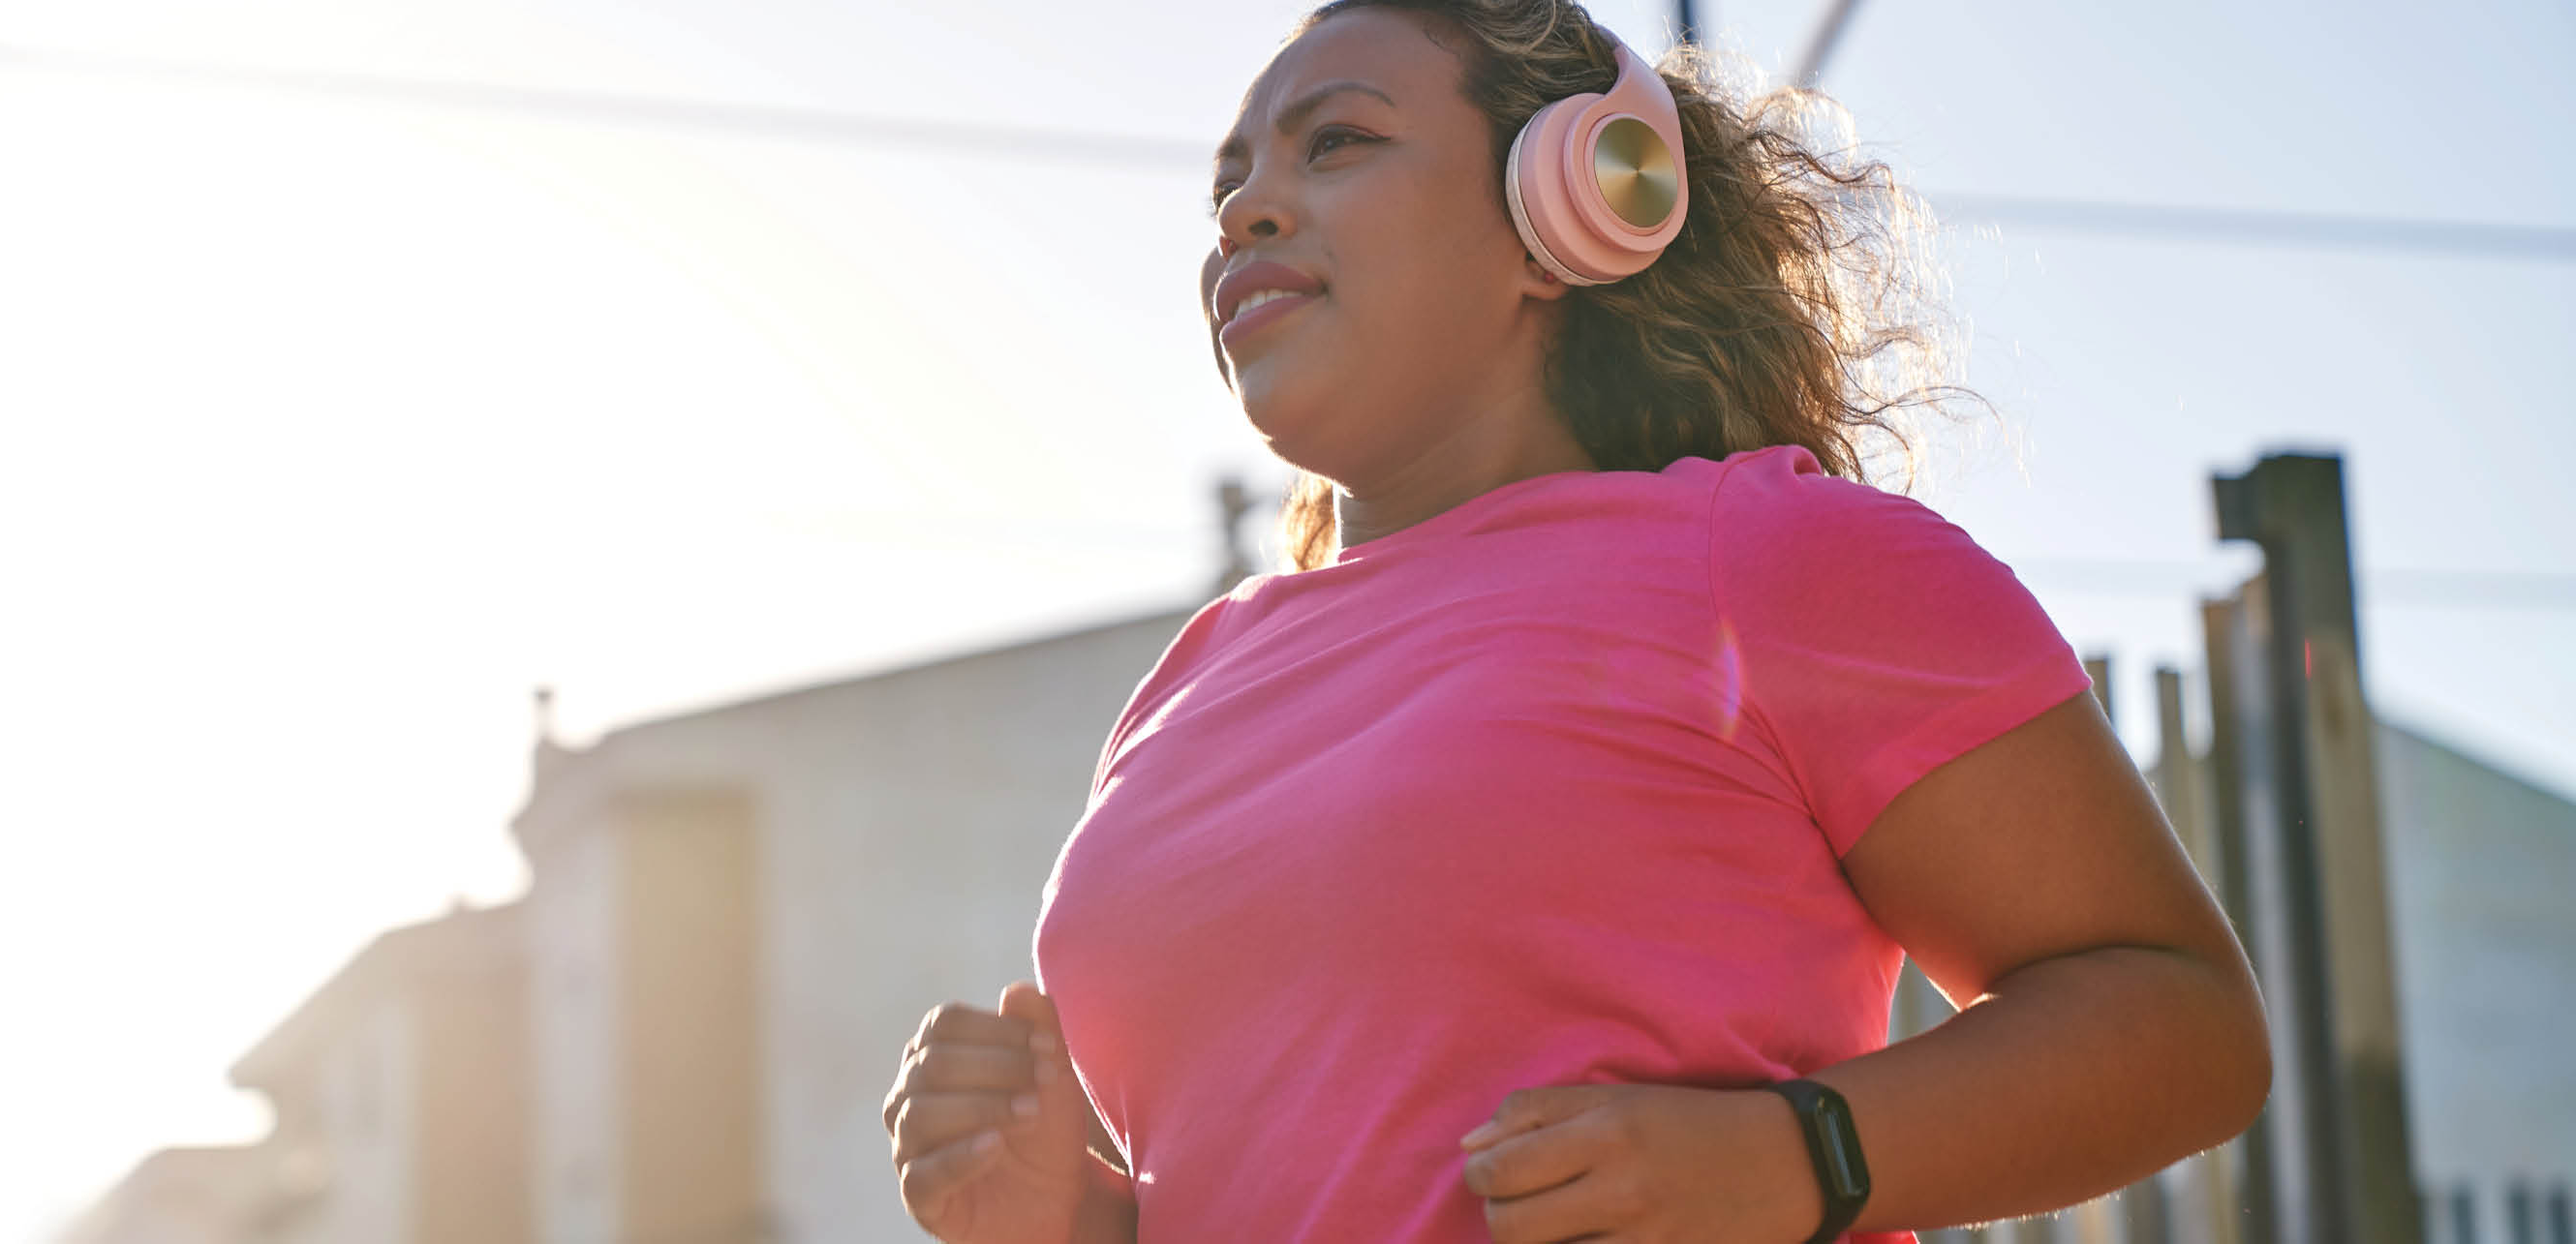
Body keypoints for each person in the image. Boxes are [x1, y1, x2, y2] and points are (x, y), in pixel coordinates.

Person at [882, 2, 2271, 1241]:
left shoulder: (1771, 561)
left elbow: (2186, 1022)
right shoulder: (1186, 685)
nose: (1246, 210)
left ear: (1577, 205)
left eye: (1337, 143)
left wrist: (1797, 1158)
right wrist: (1069, 1218)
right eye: (1227, 184)